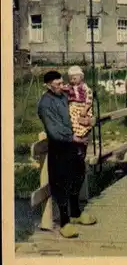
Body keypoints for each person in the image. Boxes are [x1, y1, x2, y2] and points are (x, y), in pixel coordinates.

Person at [37, 70, 96, 238]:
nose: (61, 86)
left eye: (62, 82)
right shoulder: (45, 104)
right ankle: (64, 222)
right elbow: (53, 130)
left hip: (74, 146)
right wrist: (73, 138)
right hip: (60, 148)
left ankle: (76, 213)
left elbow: (80, 110)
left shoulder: (64, 95)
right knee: (61, 183)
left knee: (77, 177)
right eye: (57, 84)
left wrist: (90, 120)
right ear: (48, 85)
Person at [62, 65, 93, 138]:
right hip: (73, 105)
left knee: (84, 119)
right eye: (70, 79)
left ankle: (83, 132)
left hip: (83, 105)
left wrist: (86, 108)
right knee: (74, 119)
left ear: (81, 77)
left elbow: (89, 98)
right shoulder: (69, 86)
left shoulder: (84, 87)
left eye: (74, 78)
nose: (72, 80)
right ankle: (76, 133)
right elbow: (62, 88)